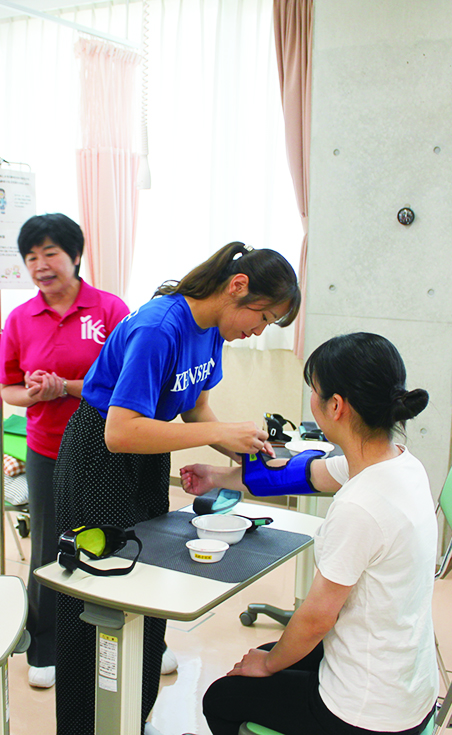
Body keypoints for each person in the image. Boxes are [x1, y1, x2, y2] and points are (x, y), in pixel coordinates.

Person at [52, 241, 301, 735]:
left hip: (143, 461)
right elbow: (119, 431)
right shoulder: (158, 327)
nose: (258, 331)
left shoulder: (210, 333)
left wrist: (243, 449)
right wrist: (216, 434)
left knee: (146, 592)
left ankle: (131, 716)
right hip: (100, 462)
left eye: (270, 325)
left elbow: (195, 410)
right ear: (238, 287)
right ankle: (89, 725)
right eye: (264, 317)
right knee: (98, 604)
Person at [181, 332, 438, 735]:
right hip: (407, 685)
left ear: (335, 406)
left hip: (364, 713)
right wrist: (216, 477)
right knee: (270, 655)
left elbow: (316, 618)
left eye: (314, 392)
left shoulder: (360, 506)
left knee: (223, 696)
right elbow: (307, 475)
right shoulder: (401, 465)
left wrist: (266, 665)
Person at [0, 213, 130, 689]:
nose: (40, 265)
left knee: (114, 537)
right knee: (50, 545)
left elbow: (125, 382)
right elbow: (9, 388)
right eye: (31, 257)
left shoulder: (110, 311)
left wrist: (66, 386)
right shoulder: (19, 319)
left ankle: (127, 636)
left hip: (107, 445)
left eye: (50, 253)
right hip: (47, 448)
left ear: (75, 256)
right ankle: (46, 645)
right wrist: (35, 394)